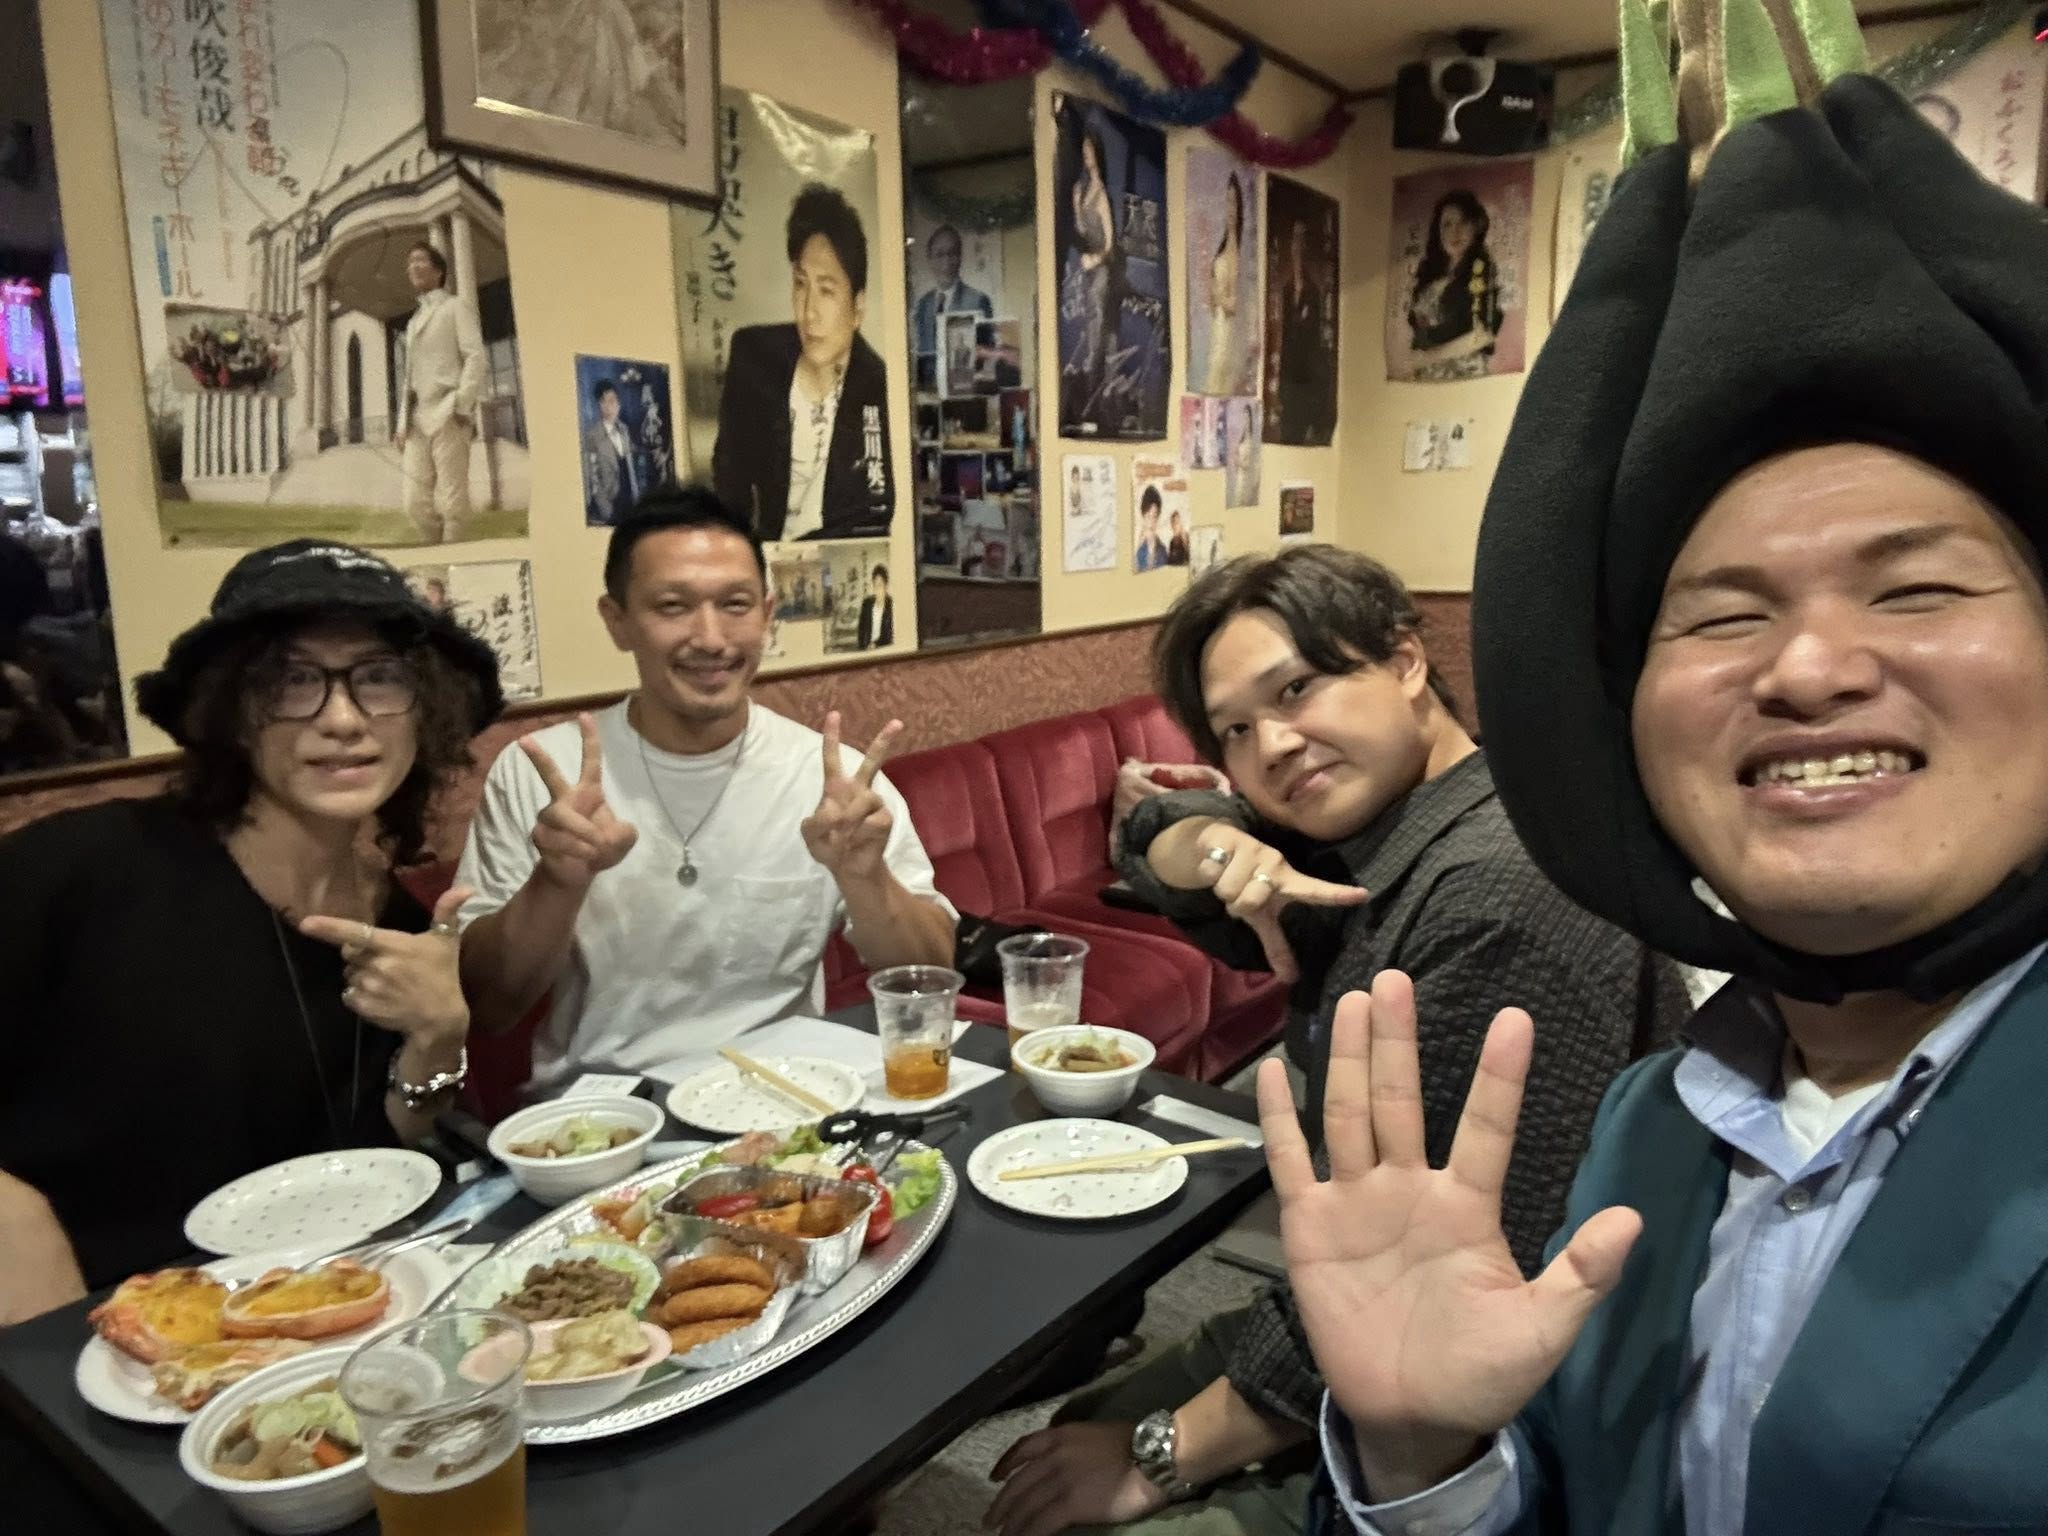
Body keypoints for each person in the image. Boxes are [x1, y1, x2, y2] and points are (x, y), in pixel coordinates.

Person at [1273, 15, 2048, 1533]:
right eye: (1722, 614)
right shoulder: (1656, 1120)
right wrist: (1424, 1458)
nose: (1808, 667)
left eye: (1913, 589)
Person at [986, 547, 1683, 1536]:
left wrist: (1164, 1455)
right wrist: (1214, 845)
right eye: (1234, 729)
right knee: (1083, 1423)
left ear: (1404, 661)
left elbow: (1416, 1290)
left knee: (1085, 1497)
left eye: (1297, 689)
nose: (1271, 744)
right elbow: (1153, 834)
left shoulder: (1495, 896)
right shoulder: (1380, 837)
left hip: (1507, 1396)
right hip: (1357, 1291)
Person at [0, 539, 501, 1320]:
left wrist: (439, 1038)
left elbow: (372, 1158)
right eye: (292, 681)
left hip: (298, 1314)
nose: (343, 720)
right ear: (231, 712)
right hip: (80, 1330)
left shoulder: (398, 919)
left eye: (379, 678)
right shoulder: (84, 866)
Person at [454, 483, 955, 1088]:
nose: (712, 638)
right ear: (618, 622)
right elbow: (489, 1007)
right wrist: (557, 882)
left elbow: (931, 976)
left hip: (785, 1096)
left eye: (736, 605)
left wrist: (865, 876)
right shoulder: (541, 772)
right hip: (609, 1111)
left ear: (767, 615)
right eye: (673, 606)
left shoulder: (834, 781)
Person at [713, 184, 893, 542]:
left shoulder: (878, 385)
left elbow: (876, 514)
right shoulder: (754, 358)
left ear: (857, 307)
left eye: (826, 291)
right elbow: (729, 484)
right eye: (800, 284)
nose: (809, 311)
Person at [395, 240, 485, 544]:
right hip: (417, 419)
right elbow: (408, 377)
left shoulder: (455, 307)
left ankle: (450, 563)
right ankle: (437, 555)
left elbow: (475, 357)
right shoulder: (413, 322)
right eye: (410, 262)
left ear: (439, 271)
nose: (413, 266)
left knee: (452, 502)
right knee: (414, 502)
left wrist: (461, 404)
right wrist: (401, 423)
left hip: (448, 411)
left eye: (420, 260)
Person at [1405, 189, 1503, 371]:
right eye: (1447, 224)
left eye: (1463, 222)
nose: (1454, 232)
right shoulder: (1428, 273)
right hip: (1425, 372)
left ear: (1476, 226)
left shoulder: (1484, 271)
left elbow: (1485, 333)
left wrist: (1430, 356)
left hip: (1463, 371)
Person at [1064, 120, 1118, 413]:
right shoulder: (1086, 191)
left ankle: (1095, 382)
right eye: (1083, 151)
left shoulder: (1102, 195)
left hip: (1101, 269)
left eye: (1089, 150)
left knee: (1098, 323)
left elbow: (1110, 244)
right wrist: (1075, 205)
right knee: (1090, 322)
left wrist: (1096, 259)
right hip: (1089, 269)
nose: (1086, 156)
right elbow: (1083, 231)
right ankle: (1092, 386)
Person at [1271, 219, 1331, 444]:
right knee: (1288, 429)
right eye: (1295, 240)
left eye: (1301, 240)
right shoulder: (1285, 289)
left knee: (1300, 425)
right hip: (1288, 371)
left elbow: (1313, 332)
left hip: (1306, 374)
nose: (1297, 246)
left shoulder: (1313, 291)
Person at [913, 223, 994, 356]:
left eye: (952, 253)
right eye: (939, 254)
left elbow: (987, 352)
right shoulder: (924, 304)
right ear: (929, 259)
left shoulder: (978, 301)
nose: (947, 262)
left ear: (960, 257)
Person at [1203, 173, 1247, 397]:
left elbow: (1234, 304)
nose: (1230, 209)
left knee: (1220, 373)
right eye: (1227, 202)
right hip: (1217, 324)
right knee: (1213, 370)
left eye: (1234, 203)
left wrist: (1219, 296)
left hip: (1228, 329)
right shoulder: (1222, 245)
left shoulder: (1238, 250)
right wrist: (1213, 293)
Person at [583, 377, 641, 526]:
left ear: (619, 404)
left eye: (612, 401)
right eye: (604, 402)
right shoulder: (592, 436)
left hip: (630, 502)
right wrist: (606, 511)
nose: (609, 407)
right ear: (599, 405)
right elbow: (592, 479)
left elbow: (630, 468)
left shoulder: (624, 430)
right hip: (608, 506)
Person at [857, 564, 893, 650]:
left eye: (880, 585)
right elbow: (861, 632)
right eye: (875, 585)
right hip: (866, 650)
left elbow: (889, 636)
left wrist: (876, 644)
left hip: (884, 650)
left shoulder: (892, 606)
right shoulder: (866, 604)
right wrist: (863, 648)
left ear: (886, 586)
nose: (877, 590)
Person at [1134, 486, 1170, 572]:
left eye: (1154, 516)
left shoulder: (1162, 550)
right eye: (1148, 516)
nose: (1151, 522)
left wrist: (1152, 551)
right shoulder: (1138, 544)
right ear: (1143, 515)